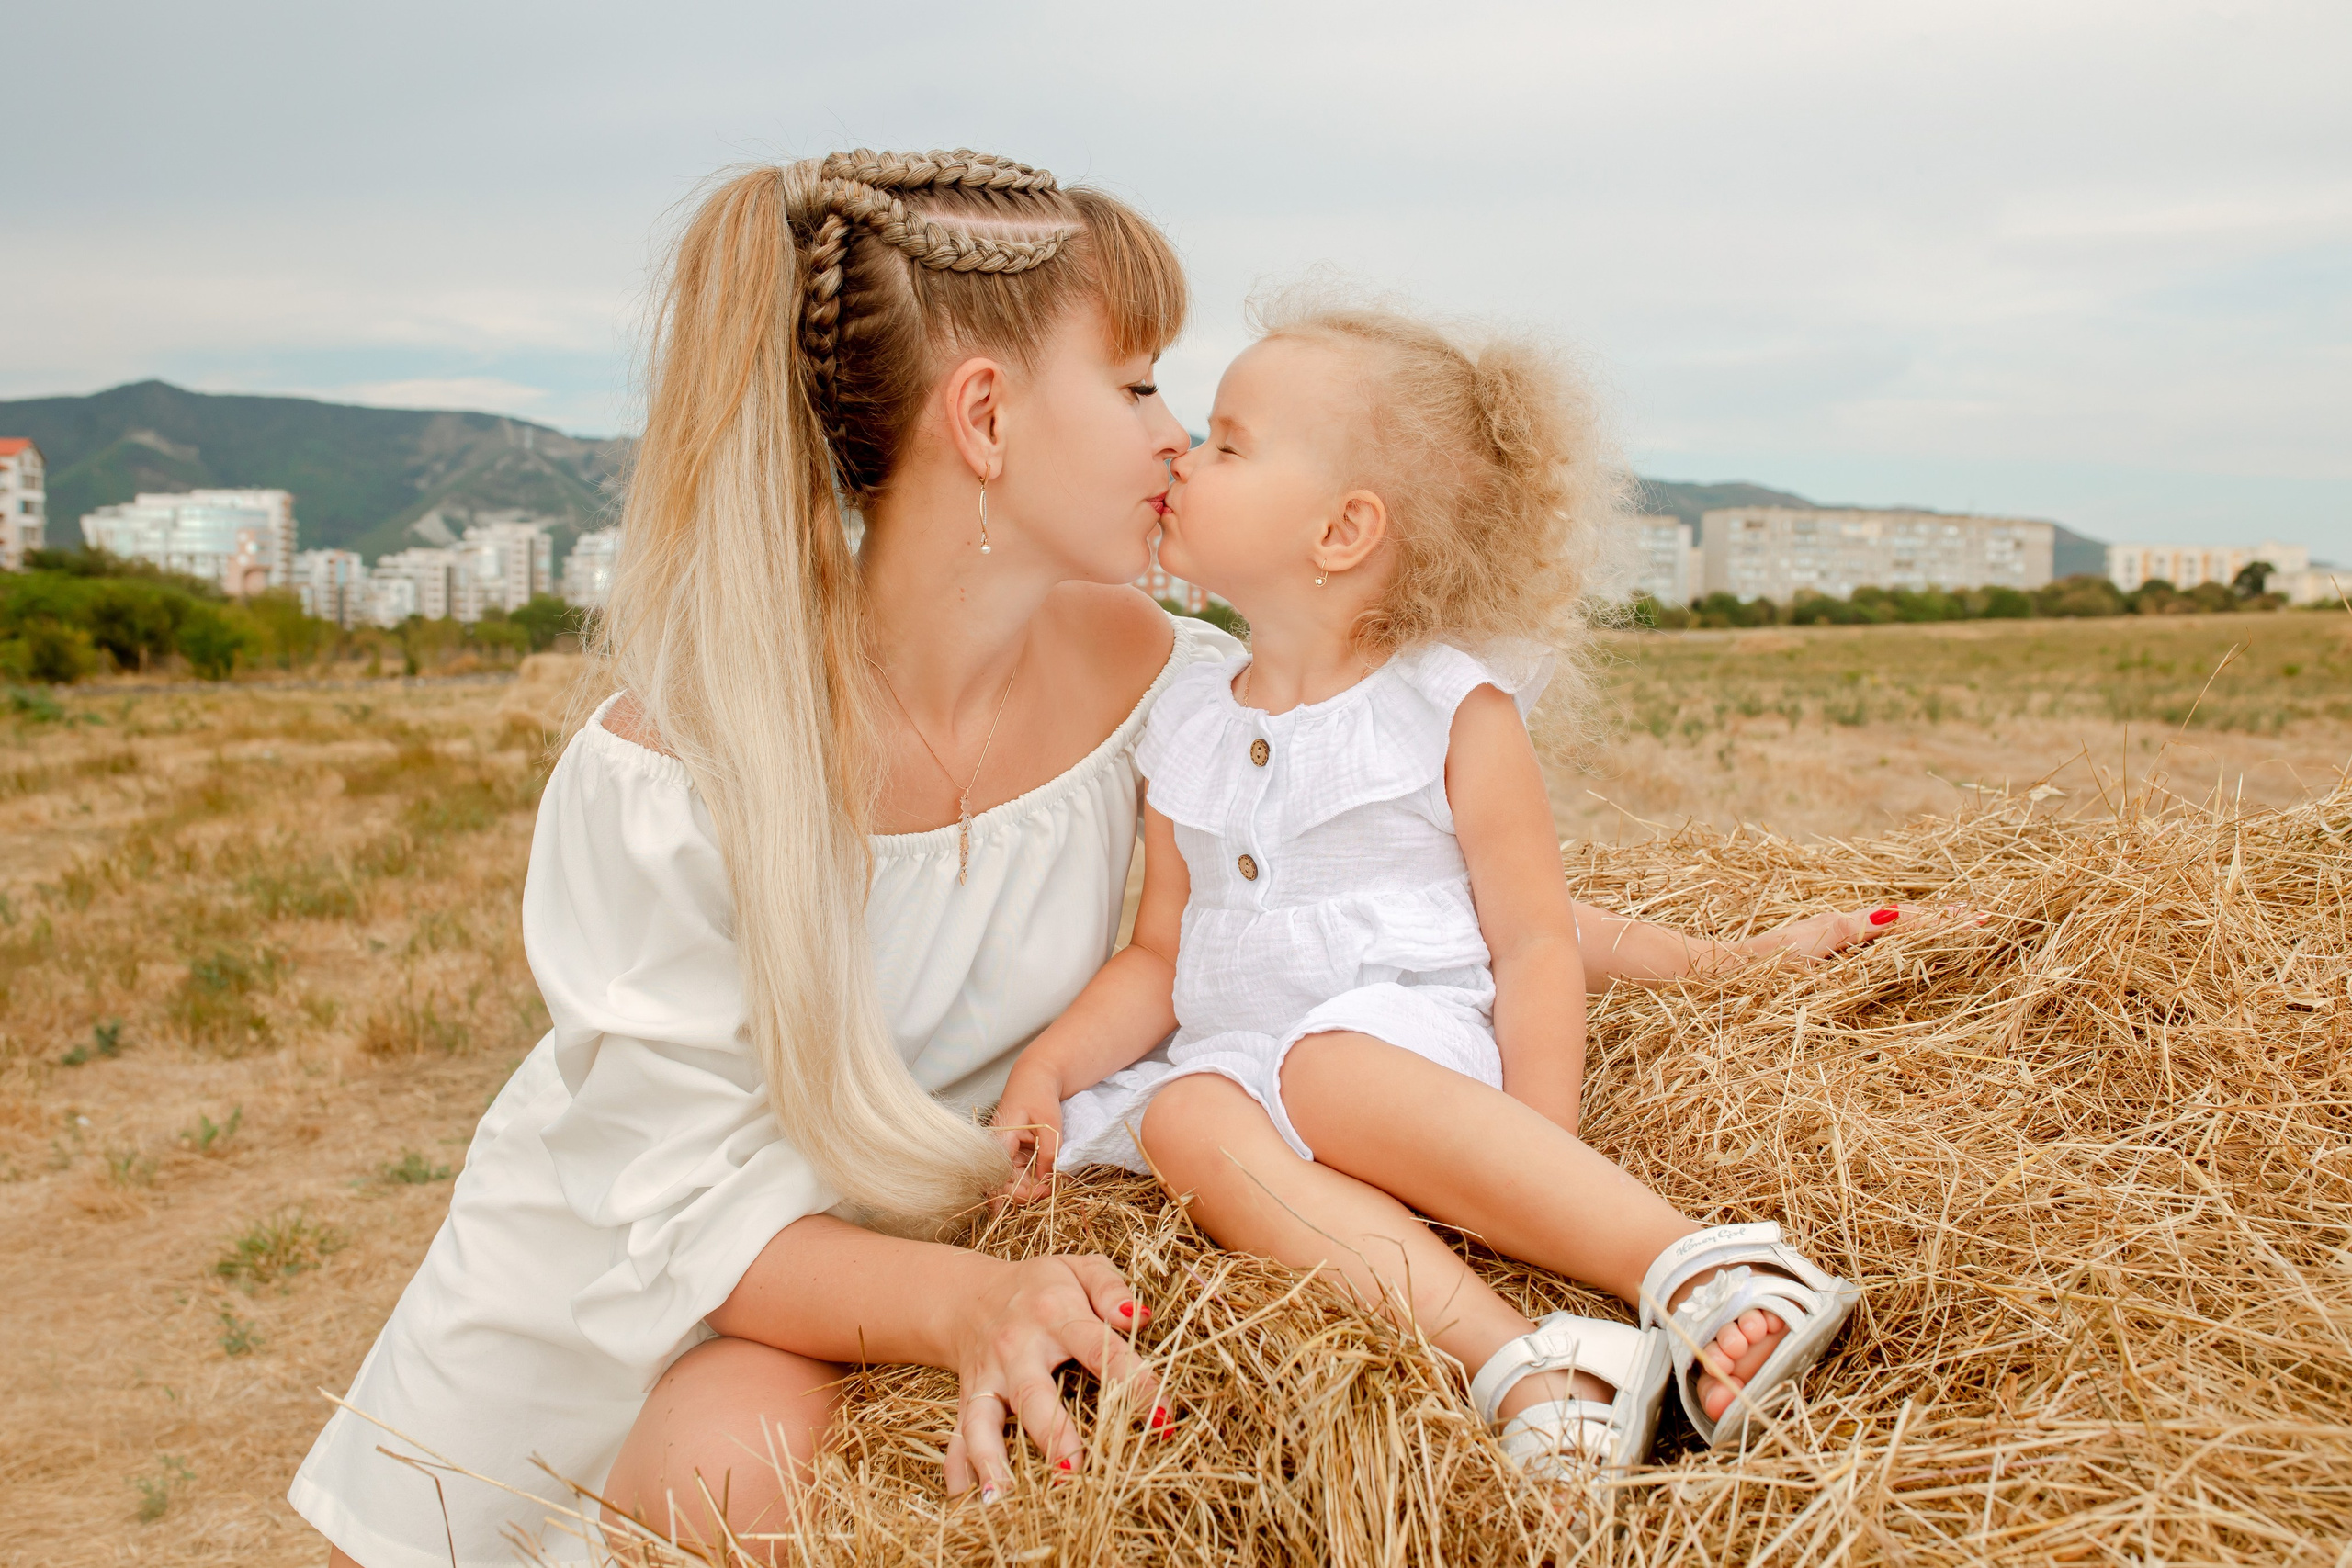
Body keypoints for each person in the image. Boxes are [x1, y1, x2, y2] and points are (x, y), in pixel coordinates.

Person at [290, 150, 1228, 1566]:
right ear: (984, 417)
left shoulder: (1180, 693)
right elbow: (686, 1222)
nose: (1180, 435)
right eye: (1140, 384)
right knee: (726, 1475)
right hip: (656, 1304)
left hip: (935, 1256)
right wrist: (976, 1308)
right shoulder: (673, 773)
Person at [990, 298, 1925, 1481]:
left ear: (1342, 531)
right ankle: (1531, 1365)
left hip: (1400, 1050)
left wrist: (1536, 1152)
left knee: (1321, 1065)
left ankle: (1703, 1265)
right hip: (1248, 1065)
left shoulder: (1445, 707)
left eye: (1227, 442)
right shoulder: (1186, 722)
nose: (1182, 450)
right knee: (1182, 1117)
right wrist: (1051, 1070)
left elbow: (1532, 940)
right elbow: (1162, 957)